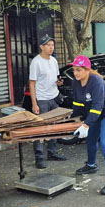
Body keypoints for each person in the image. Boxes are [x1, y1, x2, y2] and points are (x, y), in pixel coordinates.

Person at [69, 55, 105, 195]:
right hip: (94, 115)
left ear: (87, 70)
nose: (75, 73)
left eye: (78, 70)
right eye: (74, 70)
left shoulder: (96, 82)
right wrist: (73, 118)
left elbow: (98, 106)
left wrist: (86, 124)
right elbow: (78, 102)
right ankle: (91, 165)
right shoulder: (76, 82)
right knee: (90, 141)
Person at [29, 34, 67, 169]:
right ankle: (38, 157)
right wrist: (34, 103)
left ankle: (52, 152)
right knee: (40, 129)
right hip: (42, 100)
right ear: (41, 47)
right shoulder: (36, 62)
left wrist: (59, 82)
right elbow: (32, 84)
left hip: (54, 97)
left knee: (54, 127)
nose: (51, 47)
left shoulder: (54, 61)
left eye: (52, 45)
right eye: (48, 45)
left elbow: (55, 78)